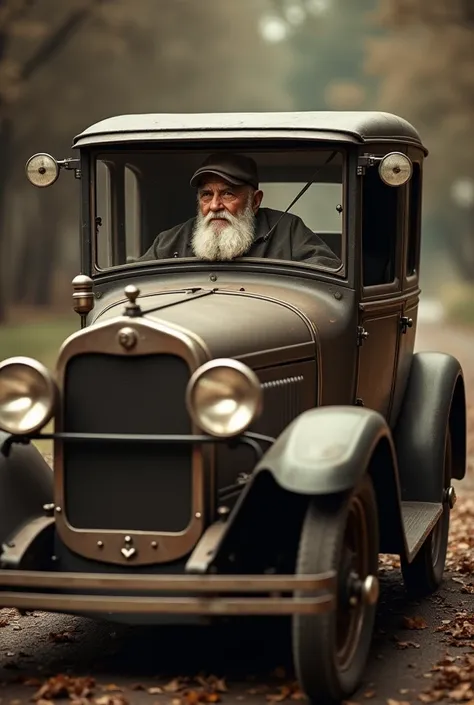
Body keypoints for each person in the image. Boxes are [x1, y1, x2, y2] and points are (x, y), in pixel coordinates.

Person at [140, 153, 341, 268]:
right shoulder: (169, 241)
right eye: (207, 195)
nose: (215, 205)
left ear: (255, 201)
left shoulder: (288, 231)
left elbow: (328, 272)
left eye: (227, 194)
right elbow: (134, 287)